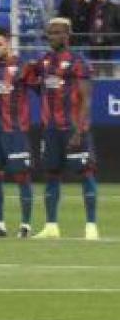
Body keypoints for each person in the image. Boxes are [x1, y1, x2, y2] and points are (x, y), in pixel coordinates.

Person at [36, 18, 99, 240]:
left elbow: (86, 99)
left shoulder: (78, 62)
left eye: (57, 32)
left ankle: (91, 226)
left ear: (67, 35)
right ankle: (51, 226)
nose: (52, 36)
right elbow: (37, 87)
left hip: (72, 128)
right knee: (51, 173)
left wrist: (79, 130)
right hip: (51, 129)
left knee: (86, 172)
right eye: (50, 32)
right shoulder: (44, 62)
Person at [0, 27, 38, 238]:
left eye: (0, 44)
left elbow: (38, 89)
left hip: (15, 131)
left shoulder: (23, 67)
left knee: (22, 176)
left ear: (9, 44)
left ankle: (25, 226)